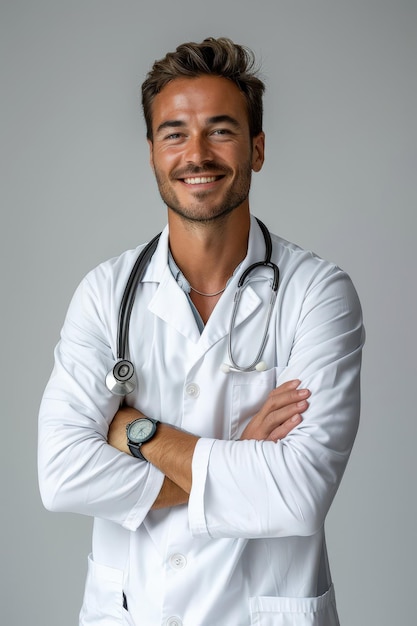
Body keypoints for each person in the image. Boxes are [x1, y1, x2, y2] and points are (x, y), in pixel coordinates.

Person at [38, 37, 364, 626]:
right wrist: (241, 461)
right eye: (174, 133)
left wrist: (136, 432)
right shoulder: (104, 293)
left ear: (257, 148)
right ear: (152, 153)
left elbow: (296, 496)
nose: (197, 153)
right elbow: (62, 475)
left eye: (221, 130)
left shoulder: (318, 293)